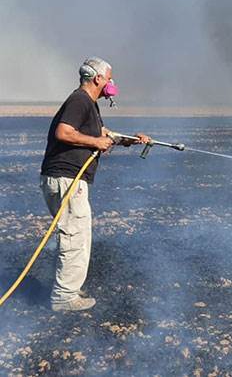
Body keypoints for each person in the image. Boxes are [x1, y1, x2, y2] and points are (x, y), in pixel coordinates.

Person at [40, 57, 150, 312]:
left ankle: (68, 288)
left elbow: (104, 135)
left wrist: (133, 140)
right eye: (109, 78)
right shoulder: (80, 100)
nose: (112, 83)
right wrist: (95, 143)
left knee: (76, 233)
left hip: (67, 179)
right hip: (67, 178)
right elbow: (64, 132)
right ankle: (64, 298)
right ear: (98, 79)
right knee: (74, 235)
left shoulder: (89, 105)